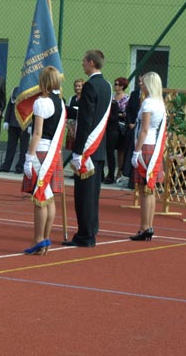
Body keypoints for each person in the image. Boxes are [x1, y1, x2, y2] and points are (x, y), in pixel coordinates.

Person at [64, 50, 112, 248]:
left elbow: (85, 121)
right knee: (93, 195)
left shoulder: (90, 86)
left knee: (83, 196)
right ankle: (91, 229)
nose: (82, 64)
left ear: (91, 62)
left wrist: (78, 151)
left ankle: (85, 235)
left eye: (84, 61)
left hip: (88, 150)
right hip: (99, 148)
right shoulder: (106, 85)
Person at [22, 66, 66, 255]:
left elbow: (37, 133)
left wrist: (29, 157)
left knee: (40, 197)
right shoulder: (61, 102)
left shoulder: (41, 102)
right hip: (54, 153)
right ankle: (45, 238)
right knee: (49, 198)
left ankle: (39, 239)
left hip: (41, 153)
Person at [130, 72, 167, 241]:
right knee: (150, 189)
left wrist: (136, 151)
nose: (141, 85)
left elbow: (144, 130)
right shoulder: (160, 102)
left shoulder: (148, 103)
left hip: (145, 146)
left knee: (144, 189)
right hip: (154, 146)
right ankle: (149, 225)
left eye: (143, 83)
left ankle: (144, 227)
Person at [0, 86, 31, 174]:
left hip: (25, 124)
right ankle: (6, 166)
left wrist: (31, 124)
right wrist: (6, 120)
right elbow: (10, 105)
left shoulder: (32, 90)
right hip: (13, 122)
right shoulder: (16, 89)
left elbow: (32, 110)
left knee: (24, 147)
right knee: (10, 146)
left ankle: (20, 167)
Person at [113, 77, 130, 183]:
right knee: (110, 150)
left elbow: (126, 113)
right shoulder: (112, 97)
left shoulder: (127, 98)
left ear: (122, 86)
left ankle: (120, 171)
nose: (114, 86)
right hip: (111, 126)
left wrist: (117, 114)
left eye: (116, 84)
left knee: (121, 151)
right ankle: (111, 172)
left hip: (121, 127)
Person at [64, 79, 83, 152]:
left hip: (80, 126)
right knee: (70, 148)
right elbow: (68, 113)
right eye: (75, 86)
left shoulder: (85, 99)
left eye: (79, 86)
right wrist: (69, 126)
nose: (77, 88)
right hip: (71, 127)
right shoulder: (72, 98)